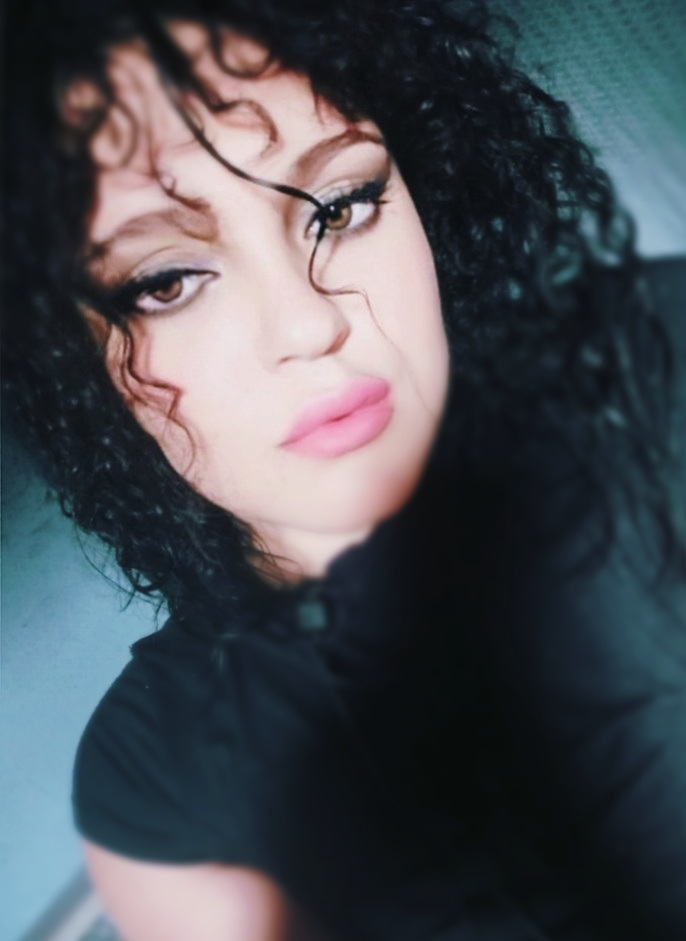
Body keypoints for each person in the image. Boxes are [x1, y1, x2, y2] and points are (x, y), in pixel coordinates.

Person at [2, 1, 685, 939]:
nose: (309, 321)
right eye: (166, 282)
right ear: (68, 364)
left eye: (342, 205)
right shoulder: (153, 786)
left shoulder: (660, 363)